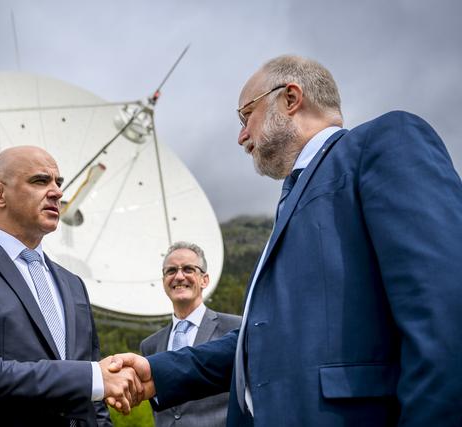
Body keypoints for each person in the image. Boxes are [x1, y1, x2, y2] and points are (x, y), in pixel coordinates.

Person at [108, 55, 462, 426]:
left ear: (290, 99)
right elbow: (262, 339)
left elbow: (445, 310)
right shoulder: (292, 202)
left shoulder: (384, 144)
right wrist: (158, 371)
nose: (241, 135)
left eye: (246, 116)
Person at [0, 146, 142, 427]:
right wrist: (92, 377)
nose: (58, 192)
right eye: (40, 181)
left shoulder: (73, 286)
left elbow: (94, 402)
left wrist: (96, 384)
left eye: (58, 183)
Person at [140, 241, 241, 427]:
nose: (179, 276)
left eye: (188, 269)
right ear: (163, 282)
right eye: (171, 271)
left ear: (204, 279)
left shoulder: (235, 329)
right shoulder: (150, 345)